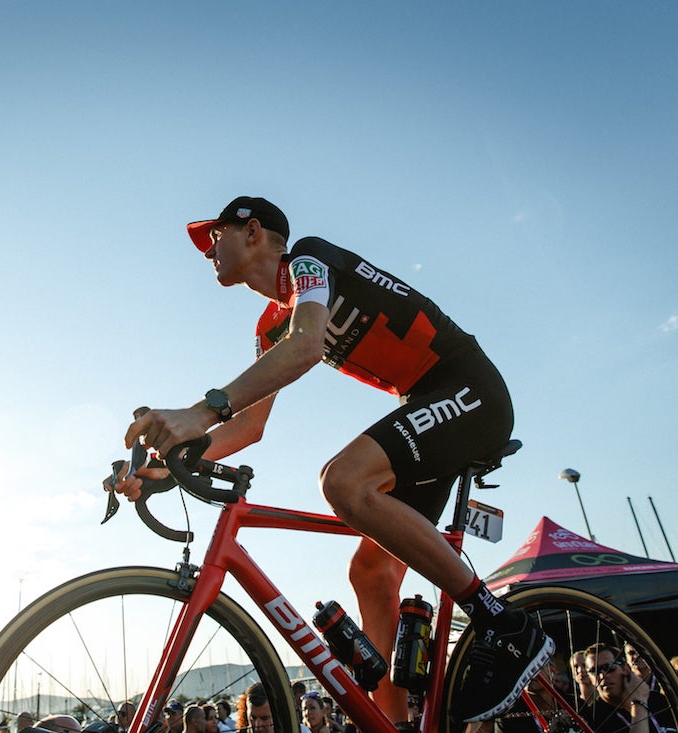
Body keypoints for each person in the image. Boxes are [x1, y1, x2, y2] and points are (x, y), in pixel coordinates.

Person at [109, 196, 552, 725]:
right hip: (428, 405)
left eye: (215, 235)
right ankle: (393, 724)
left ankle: (506, 627)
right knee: (369, 572)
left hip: (467, 390)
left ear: (253, 232)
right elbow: (249, 426)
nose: (208, 249)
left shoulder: (309, 262)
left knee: (343, 482)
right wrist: (163, 465)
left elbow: (307, 346)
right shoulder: (272, 322)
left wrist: (199, 413)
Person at [578, 644, 667, 733]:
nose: (602, 676)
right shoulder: (592, 719)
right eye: (594, 671)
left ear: (626, 669)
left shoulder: (657, 700)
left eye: (609, 668)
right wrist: (638, 704)